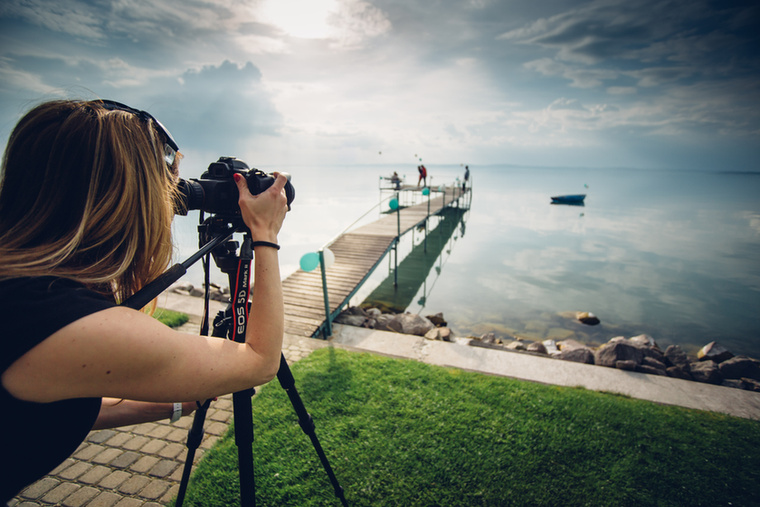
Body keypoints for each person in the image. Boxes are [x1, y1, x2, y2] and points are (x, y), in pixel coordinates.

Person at [0, 99, 289, 502]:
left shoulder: (26, 295)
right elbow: (259, 361)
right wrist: (266, 233)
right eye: (167, 197)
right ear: (128, 205)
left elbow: (50, 408)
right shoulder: (76, 326)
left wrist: (174, 404)